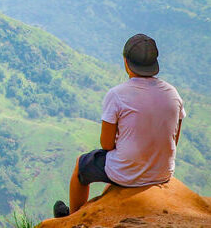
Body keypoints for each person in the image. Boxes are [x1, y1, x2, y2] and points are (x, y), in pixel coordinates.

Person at [53, 33, 186, 218]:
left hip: (128, 173)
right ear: (154, 65)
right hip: (163, 171)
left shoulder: (117, 95)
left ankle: (71, 218)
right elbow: (174, 139)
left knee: (81, 166)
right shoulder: (173, 93)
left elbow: (106, 145)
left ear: (126, 62)